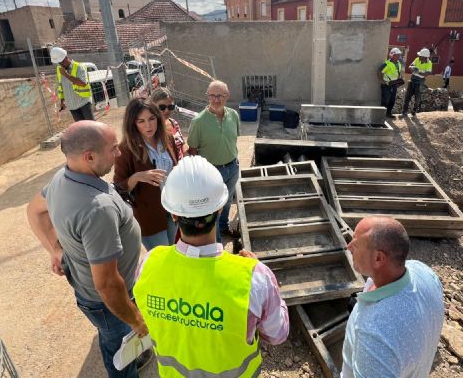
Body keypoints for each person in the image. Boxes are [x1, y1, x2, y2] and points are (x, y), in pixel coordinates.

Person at [133, 155, 289, 377]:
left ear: (174, 214)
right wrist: (272, 288)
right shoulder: (254, 278)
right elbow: (277, 334)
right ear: (219, 208)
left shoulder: (149, 264)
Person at [26, 121, 147, 378]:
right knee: (118, 349)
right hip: (105, 301)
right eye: (113, 148)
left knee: (114, 336)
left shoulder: (63, 176)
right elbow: (107, 284)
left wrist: (55, 250)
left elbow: (34, 210)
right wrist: (137, 321)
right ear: (89, 157)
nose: (118, 153)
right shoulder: (97, 209)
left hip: (88, 290)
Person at [342, 216, 444, 377]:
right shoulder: (424, 271)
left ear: (378, 258)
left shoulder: (374, 333)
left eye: (356, 243)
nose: (349, 247)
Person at [114, 98, 179, 250]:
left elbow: (175, 164)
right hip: (150, 217)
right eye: (141, 121)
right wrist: (136, 177)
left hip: (173, 208)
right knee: (162, 261)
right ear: (133, 123)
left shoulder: (168, 138)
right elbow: (118, 188)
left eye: (152, 119)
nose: (148, 126)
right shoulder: (125, 149)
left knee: (176, 253)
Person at [187, 80, 240, 241]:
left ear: (227, 96)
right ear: (208, 96)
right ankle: (216, 242)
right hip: (212, 172)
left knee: (226, 202)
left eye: (220, 96)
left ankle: (223, 228)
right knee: (213, 208)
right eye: (212, 96)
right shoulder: (198, 122)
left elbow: (233, 139)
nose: (216, 100)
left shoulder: (234, 115)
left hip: (232, 167)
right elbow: (193, 150)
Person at [51, 46, 94, 122]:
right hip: (72, 106)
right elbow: (61, 86)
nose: (61, 65)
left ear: (66, 57)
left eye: (62, 62)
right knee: (80, 129)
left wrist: (66, 75)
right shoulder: (59, 70)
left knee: (91, 126)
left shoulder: (79, 67)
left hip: (84, 103)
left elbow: (83, 83)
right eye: (59, 63)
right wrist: (62, 101)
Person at [150, 87, 186, 161]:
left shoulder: (174, 123)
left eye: (170, 107)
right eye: (162, 107)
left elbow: (182, 146)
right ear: (152, 106)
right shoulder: (150, 129)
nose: (166, 110)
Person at [402, 47, 433, 116]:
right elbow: (410, 67)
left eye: (420, 56)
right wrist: (413, 68)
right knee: (407, 96)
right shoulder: (417, 59)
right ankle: (404, 111)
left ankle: (414, 110)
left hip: (420, 81)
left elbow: (426, 74)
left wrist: (418, 72)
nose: (419, 56)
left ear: (425, 57)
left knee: (417, 97)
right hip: (413, 79)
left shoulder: (429, 63)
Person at [378, 48, 403, 118]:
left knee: (392, 100)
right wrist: (382, 81)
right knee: (385, 100)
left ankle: (388, 113)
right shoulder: (387, 64)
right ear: (392, 55)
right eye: (397, 55)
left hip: (394, 84)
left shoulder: (398, 63)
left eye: (399, 55)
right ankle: (381, 115)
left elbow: (398, 72)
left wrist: (399, 81)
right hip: (387, 85)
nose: (398, 56)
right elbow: (379, 71)